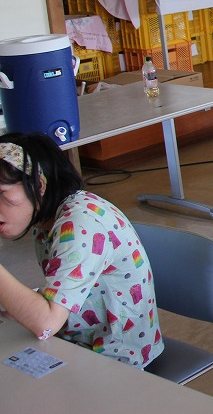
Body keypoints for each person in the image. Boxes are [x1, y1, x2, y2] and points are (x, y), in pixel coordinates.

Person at [0, 133, 163, 368]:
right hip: (78, 340)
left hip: (118, 360)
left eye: (2, 194)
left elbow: (47, 322)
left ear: (38, 185)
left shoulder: (78, 226)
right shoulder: (43, 224)